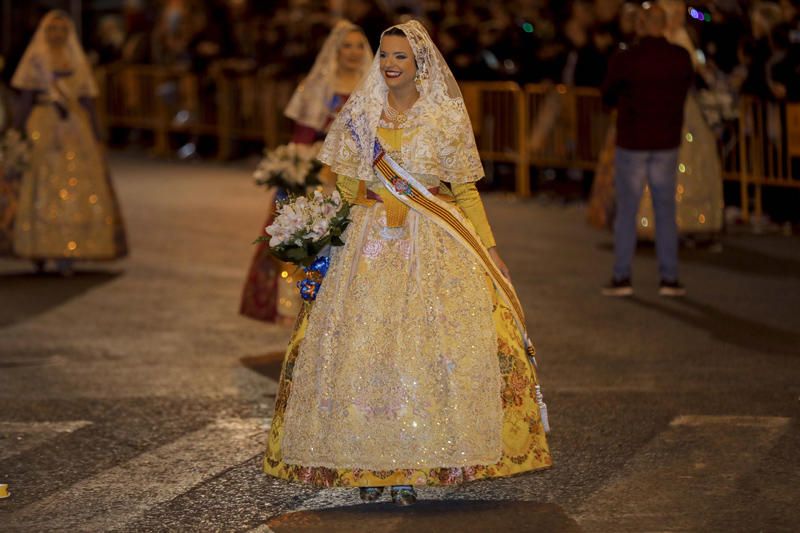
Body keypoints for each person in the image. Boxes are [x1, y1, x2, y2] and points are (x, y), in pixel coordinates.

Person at [263, 20, 551, 505]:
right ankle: (366, 464)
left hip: (434, 240)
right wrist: (320, 237)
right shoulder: (360, 116)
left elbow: (465, 191)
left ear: (421, 66)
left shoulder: (445, 116)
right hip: (368, 244)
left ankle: (412, 465)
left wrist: (491, 249)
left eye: (401, 57)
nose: (391, 64)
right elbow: (347, 190)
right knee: (364, 348)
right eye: (385, 56)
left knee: (426, 348)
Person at [240, 20, 372, 324]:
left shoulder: (372, 86)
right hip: (322, 173)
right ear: (335, 51)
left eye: (358, 46)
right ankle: (298, 302)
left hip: (359, 171)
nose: (353, 52)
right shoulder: (319, 87)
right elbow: (302, 135)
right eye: (346, 46)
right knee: (312, 237)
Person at [10, 10, 128, 275]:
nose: (57, 35)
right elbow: (25, 100)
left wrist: (98, 134)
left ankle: (71, 248)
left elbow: (87, 100)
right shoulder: (36, 62)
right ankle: (38, 245)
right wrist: (16, 131)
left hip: (74, 129)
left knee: (76, 183)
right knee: (40, 183)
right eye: (52, 30)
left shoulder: (76, 61)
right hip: (43, 126)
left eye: (62, 30)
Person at [600, 4, 693, 297]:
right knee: (665, 209)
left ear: (641, 24)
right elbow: (686, 89)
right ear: (664, 24)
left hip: (633, 141)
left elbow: (608, 93)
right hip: (666, 141)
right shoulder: (680, 58)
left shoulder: (627, 58)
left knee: (627, 210)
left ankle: (622, 276)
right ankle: (669, 277)